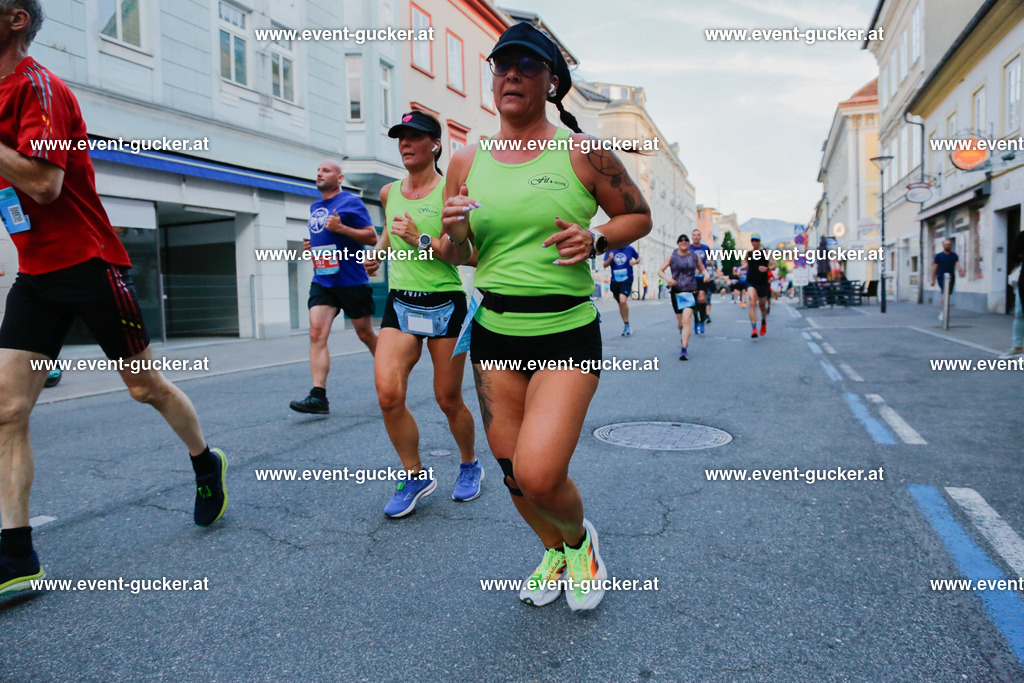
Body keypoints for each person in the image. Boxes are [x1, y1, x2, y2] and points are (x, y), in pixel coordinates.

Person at [0, 0, 226, 596]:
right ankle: (17, 556)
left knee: (143, 387)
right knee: (7, 410)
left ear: (16, 19)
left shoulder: (39, 88)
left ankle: (206, 462)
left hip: (91, 263)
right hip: (33, 275)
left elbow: (45, 185)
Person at [439, 22, 651, 611]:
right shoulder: (465, 159)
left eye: (527, 66)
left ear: (550, 80)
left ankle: (581, 543)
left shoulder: (584, 152)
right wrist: (453, 233)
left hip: (565, 329)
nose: (511, 74)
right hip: (494, 331)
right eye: (502, 65)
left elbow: (639, 216)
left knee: (538, 472)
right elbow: (455, 253)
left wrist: (599, 239)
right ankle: (552, 550)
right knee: (511, 474)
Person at [366, 111, 480, 517]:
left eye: (415, 137)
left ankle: (469, 463)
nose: (405, 144)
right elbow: (388, 229)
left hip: (445, 302)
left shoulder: (451, 194)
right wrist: (379, 253)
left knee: (448, 398)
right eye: (400, 137)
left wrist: (419, 238)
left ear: (435, 144)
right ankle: (414, 474)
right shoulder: (387, 191)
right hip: (400, 302)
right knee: (388, 394)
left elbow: (467, 255)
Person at [290, 160, 379, 414]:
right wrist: (312, 247)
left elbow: (371, 236)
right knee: (316, 333)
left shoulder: (351, 202)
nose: (320, 173)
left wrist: (342, 228)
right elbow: (324, 237)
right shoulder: (316, 205)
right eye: (318, 170)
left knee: (365, 334)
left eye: (326, 170)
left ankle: (391, 373)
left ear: (340, 178)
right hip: (324, 279)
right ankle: (319, 396)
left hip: (351, 279)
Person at [658, 234, 710, 360]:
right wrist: (668, 279)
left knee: (687, 319)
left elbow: (702, 268)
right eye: (681, 240)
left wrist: (706, 274)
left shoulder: (694, 256)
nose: (683, 242)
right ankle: (683, 335)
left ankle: (684, 348)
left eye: (686, 240)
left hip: (690, 291)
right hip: (676, 291)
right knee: (681, 323)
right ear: (677, 243)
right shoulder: (672, 256)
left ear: (688, 242)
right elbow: (660, 271)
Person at [741, 234, 774, 337]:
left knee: (762, 305)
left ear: (760, 241)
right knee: (752, 302)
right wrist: (740, 269)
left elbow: (773, 265)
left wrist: (767, 269)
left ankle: (763, 321)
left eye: (756, 240)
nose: (754, 242)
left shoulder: (766, 252)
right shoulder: (748, 253)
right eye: (753, 241)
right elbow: (748, 265)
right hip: (751, 281)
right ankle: (754, 328)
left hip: (763, 282)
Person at [603, 244, 639, 335]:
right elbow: (604, 265)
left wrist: (635, 262)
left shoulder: (630, 248)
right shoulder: (610, 250)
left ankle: (627, 325)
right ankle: (626, 324)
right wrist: (610, 259)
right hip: (615, 281)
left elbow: (638, 258)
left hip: (627, 278)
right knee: (620, 304)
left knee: (623, 300)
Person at [930, 238, 965, 321]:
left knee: (947, 294)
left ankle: (945, 309)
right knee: (944, 293)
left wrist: (960, 270)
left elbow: (957, 264)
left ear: (951, 246)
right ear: (943, 246)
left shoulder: (954, 256)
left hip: (951, 277)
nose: (948, 246)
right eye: (946, 245)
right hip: (942, 277)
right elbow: (934, 267)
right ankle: (943, 311)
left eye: (949, 244)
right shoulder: (938, 256)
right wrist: (933, 279)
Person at [690, 229, 713, 330]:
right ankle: (696, 319)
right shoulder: (688, 248)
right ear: (692, 237)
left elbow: (710, 260)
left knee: (702, 298)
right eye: (694, 235)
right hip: (691, 277)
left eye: (698, 235)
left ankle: (702, 319)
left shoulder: (706, 248)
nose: (696, 237)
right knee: (693, 301)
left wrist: (708, 262)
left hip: (702, 277)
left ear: (700, 237)